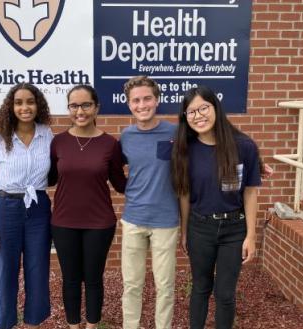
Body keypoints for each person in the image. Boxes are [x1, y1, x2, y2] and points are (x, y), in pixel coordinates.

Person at [171, 85, 262, 329]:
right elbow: (184, 194)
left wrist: (251, 236)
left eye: (204, 108)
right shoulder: (185, 150)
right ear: (185, 117)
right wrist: (184, 231)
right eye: (191, 112)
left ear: (216, 108)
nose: (198, 116)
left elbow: (251, 192)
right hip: (200, 227)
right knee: (200, 288)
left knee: (225, 293)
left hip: (234, 229)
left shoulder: (244, 146)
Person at [49, 84, 127, 329]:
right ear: (68, 108)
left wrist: (154, 176)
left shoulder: (109, 144)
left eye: (86, 105)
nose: (80, 111)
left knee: (93, 279)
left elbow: (120, 183)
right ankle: (73, 325)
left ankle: (92, 325)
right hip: (63, 222)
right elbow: (48, 178)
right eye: (74, 105)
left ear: (96, 108)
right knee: (70, 279)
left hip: (99, 223)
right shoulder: (58, 142)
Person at [0, 83, 53, 329]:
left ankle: (33, 323)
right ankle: (5, 324)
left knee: (38, 269)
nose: (25, 107)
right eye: (19, 102)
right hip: (6, 208)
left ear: (38, 105)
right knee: (5, 273)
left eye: (30, 101)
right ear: (10, 107)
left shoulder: (47, 135)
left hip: (38, 208)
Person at [119, 76, 180, 329]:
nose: (141, 105)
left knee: (164, 286)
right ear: (128, 104)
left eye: (146, 98)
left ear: (157, 100)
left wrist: (252, 159)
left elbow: (211, 148)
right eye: (136, 100)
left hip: (166, 221)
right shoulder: (126, 136)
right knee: (132, 284)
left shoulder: (175, 132)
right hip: (133, 219)